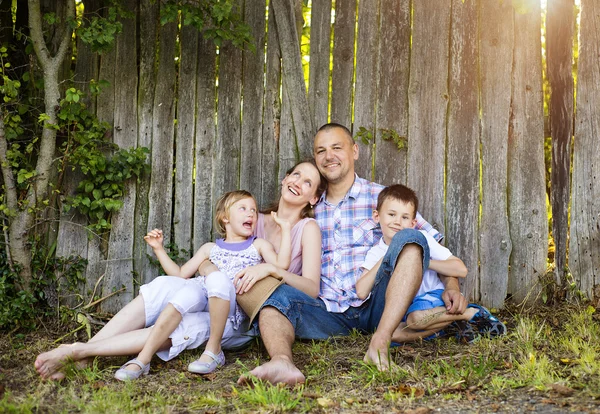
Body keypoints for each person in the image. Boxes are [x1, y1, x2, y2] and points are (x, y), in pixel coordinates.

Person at [34, 160, 326, 381]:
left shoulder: (305, 227)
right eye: (296, 174)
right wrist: (207, 265)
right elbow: (217, 255)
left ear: (313, 198)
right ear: (285, 178)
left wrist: (266, 270)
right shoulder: (255, 217)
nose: (299, 181)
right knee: (165, 287)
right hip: (210, 291)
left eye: (309, 182)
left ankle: (79, 352)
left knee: (185, 325)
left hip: (242, 312)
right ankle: (87, 352)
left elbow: (310, 287)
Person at [238, 123, 469, 385]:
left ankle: (379, 345)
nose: (329, 156)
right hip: (326, 311)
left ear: (355, 151)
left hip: (377, 304)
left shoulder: (382, 198)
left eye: (337, 147)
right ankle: (282, 362)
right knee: (273, 293)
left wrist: (451, 284)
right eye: (321, 151)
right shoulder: (309, 206)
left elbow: (426, 242)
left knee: (408, 236)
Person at [355, 184, 506, 343]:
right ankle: (448, 326)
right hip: (409, 307)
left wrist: (424, 262)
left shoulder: (422, 238)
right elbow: (361, 292)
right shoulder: (375, 252)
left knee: (414, 319)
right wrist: (388, 255)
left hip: (432, 297)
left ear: (413, 224)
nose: (397, 222)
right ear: (377, 216)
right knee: (391, 335)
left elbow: (460, 269)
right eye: (391, 214)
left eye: (405, 217)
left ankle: (470, 312)